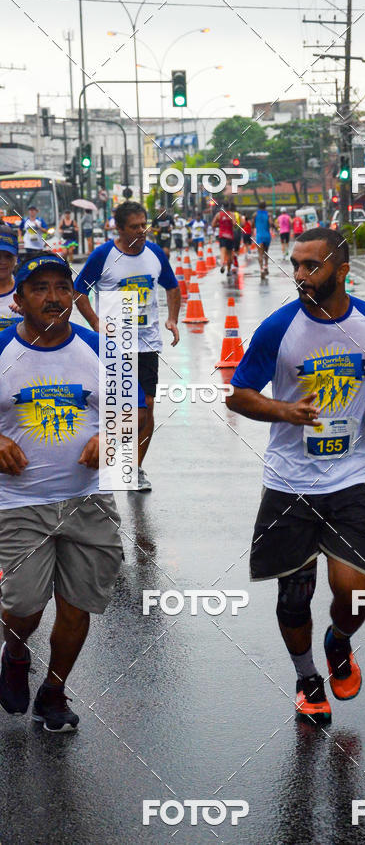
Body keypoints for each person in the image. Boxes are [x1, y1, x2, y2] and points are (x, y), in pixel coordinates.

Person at [227, 227, 365, 723]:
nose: (299, 274)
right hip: (290, 483)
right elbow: (238, 395)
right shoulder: (278, 329)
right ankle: (306, 678)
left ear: (341, 271)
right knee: (294, 597)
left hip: (352, 477)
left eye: (311, 266)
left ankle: (338, 641)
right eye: (296, 265)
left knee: (354, 592)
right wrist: (284, 411)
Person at [0, 254, 146, 732]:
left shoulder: (101, 349)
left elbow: (136, 415)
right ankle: (15, 652)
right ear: (19, 298)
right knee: (23, 606)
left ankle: (54, 692)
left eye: (62, 287)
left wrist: (113, 438)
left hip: (89, 501)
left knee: (77, 604)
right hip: (18, 503)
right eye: (40, 288)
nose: (54, 297)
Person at [74, 200, 181, 493]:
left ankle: (134, 468)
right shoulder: (103, 255)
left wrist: (172, 319)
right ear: (119, 229)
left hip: (146, 345)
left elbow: (172, 286)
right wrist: (95, 322)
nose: (142, 231)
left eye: (144, 225)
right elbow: (78, 291)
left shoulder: (155, 253)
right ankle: (99, 459)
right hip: (113, 346)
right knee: (115, 409)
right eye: (135, 227)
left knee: (147, 408)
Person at [0, 226, 21, 331]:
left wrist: (29, 313)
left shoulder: (27, 291)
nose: (2, 262)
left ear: (16, 258)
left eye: (8, 256)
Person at [212, 198, 236, 276]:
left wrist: (220, 224)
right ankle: (228, 271)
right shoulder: (232, 214)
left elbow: (213, 225)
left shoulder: (218, 215)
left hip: (222, 236)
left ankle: (222, 264)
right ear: (229, 207)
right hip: (230, 236)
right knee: (229, 254)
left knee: (222, 252)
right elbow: (234, 224)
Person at [253, 201, 272, 279]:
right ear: (265, 206)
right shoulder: (268, 214)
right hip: (267, 235)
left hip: (259, 236)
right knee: (266, 252)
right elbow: (271, 223)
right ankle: (266, 266)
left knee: (260, 254)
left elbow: (252, 225)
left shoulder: (255, 214)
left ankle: (261, 270)